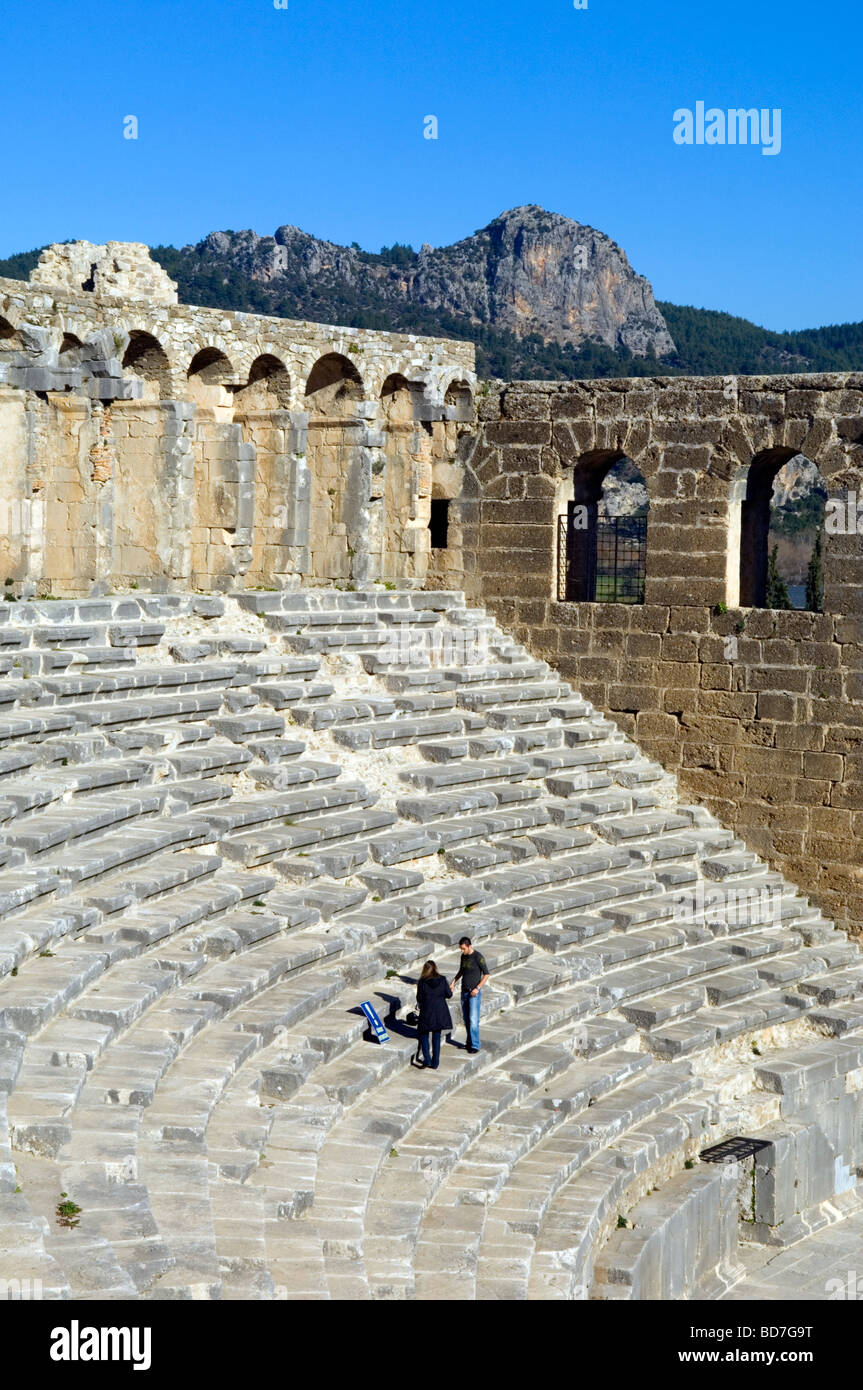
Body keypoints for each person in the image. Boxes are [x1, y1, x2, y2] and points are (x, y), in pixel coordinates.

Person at [450, 937, 489, 1054]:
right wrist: (453, 981)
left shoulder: (478, 957)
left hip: (474, 993)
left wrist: (477, 988)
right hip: (464, 991)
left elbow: (486, 974)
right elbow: (461, 970)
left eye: (463, 949)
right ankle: (469, 1041)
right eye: (460, 949)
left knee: (473, 1019)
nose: (461, 951)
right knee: (466, 1019)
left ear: (469, 946)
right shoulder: (463, 956)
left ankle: (475, 1045)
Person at [414, 960, 453, 1070]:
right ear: (435, 968)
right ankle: (435, 1063)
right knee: (436, 1037)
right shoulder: (442, 979)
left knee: (424, 1035)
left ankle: (427, 1059)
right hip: (440, 1013)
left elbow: (419, 998)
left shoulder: (422, 981)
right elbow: (449, 995)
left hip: (427, 1012)